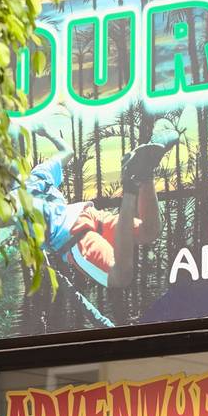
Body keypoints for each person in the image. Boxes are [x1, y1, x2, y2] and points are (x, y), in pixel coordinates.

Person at [27, 121, 175, 290]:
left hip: (72, 236)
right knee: (149, 230)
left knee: (120, 277)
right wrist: (46, 132)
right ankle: (144, 174)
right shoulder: (37, 175)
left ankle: (130, 186)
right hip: (85, 214)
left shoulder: (11, 201)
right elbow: (68, 152)